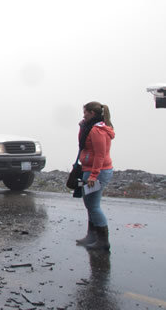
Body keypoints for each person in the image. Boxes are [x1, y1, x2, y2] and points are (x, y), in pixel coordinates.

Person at [75, 101, 115, 251]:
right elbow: (83, 144)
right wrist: (81, 127)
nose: (83, 115)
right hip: (91, 170)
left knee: (93, 205)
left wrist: (93, 175)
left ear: (92, 113)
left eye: (85, 112)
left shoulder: (97, 131)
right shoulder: (90, 128)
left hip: (97, 172)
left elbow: (100, 154)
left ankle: (103, 241)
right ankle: (92, 236)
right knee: (90, 204)